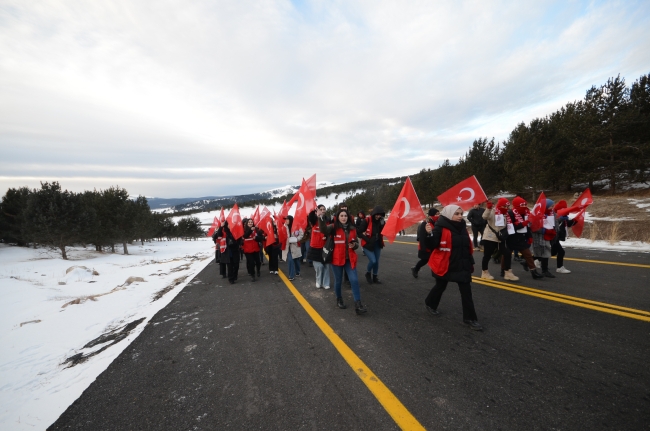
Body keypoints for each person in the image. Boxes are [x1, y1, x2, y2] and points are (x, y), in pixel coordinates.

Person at [423, 205, 482, 330]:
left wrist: (470, 262)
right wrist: (429, 234)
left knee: (466, 293)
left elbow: (466, 247)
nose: (460, 216)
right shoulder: (440, 227)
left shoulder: (463, 228)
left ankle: (470, 319)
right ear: (449, 214)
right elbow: (432, 245)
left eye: (461, 213)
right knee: (440, 286)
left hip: (462, 265)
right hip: (446, 264)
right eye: (457, 214)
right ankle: (430, 304)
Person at [318, 209, 367, 315]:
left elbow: (356, 243)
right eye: (341, 215)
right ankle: (339, 299)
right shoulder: (333, 227)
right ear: (338, 217)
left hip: (350, 259)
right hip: (337, 260)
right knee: (338, 281)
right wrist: (321, 218)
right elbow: (323, 229)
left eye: (345, 215)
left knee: (354, 280)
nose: (344, 217)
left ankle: (358, 305)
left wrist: (355, 245)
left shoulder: (352, 229)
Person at [506, 197, 543, 279]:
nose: (524, 206)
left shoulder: (526, 213)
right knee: (506, 255)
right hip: (511, 238)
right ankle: (505, 271)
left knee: (528, 255)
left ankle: (534, 272)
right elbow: (510, 227)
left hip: (521, 238)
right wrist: (522, 224)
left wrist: (529, 236)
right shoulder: (510, 213)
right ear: (516, 205)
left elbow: (528, 227)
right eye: (522, 205)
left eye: (525, 204)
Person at [481, 198, 518, 281]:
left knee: (507, 253)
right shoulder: (493, 211)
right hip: (490, 237)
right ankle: (484, 272)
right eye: (505, 206)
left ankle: (508, 272)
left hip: (500, 237)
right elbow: (485, 217)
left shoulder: (506, 214)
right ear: (500, 206)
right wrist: (488, 208)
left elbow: (506, 225)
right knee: (487, 255)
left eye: (508, 206)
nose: (507, 208)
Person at [359, 206, 386, 284]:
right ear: (373, 214)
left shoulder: (381, 221)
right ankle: (368, 273)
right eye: (376, 214)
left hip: (377, 243)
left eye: (380, 215)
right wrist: (367, 240)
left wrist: (383, 224)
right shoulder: (367, 220)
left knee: (377, 261)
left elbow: (385, 231)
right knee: (373, 260)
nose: (378, 216)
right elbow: (359, 232)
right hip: (367, 244)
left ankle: (375, 276)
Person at [531, 199, 557, 278]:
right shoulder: (538, 214)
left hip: (548, 236)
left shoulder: (551, 214)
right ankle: (544, 270)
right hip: (540, 237)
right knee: (543, 253)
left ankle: (528, 262)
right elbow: (533, 226)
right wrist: (544, 230)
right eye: (551, 206)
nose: (552, 208)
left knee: (545, 253)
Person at [307, 205, 331, 289]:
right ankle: (318, 280)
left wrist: (326, 236)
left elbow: (330, 232)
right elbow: (310, 217)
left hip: (325, 246)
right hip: (315, 247)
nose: (323, 211)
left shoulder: (328, 221)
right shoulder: (314, 220)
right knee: (319, 266)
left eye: (324, 209)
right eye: (321, 209)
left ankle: (326, 283)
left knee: (326, 266)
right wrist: (315, 213)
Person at [411, 208, 439, 278]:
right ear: (431, 215)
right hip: (426, 246)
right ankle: (416, 268)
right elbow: (422, 237)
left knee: (434, 259)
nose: (438, 215)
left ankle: (436, 274)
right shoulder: (425, 223)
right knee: (425, 260)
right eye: (436, 214)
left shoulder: (436, 223)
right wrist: (423, 248)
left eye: (439, 214)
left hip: (433, 245)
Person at [553, 200, 575, 274]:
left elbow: (568, 224)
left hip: (556, 236)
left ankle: (533, 260)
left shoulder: (564, 216)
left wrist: (575, 220)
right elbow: (554, 224)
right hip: (553, 236)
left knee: (552, 252)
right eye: (563, 208)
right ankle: (559, 267)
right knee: (561, 252)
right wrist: (560, 219)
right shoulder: (554, 215)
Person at [282, 215, 304, 281]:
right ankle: (291, 275)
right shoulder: (284, 227)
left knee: (296, 260)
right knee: (290, 260)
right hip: (288, 246)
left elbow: (301, 234)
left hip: (295, 246)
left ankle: (297, 272)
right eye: (285, 219)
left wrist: (296, 239)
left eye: (287, 219)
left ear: (291, 220)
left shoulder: (297, 226)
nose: (286, 220)